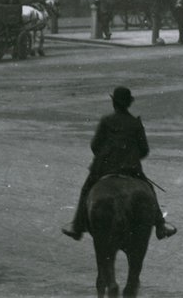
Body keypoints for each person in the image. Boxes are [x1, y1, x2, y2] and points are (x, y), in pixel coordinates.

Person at [62, 86, 174, 241]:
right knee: (149, 189)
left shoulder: (106, 121)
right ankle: (160, 225)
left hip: (104, 168)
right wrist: (131, 158)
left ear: (114, 104)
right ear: (129, 104)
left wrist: (106, 158)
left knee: (86, 189)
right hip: (131, 169)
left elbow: (95, 146)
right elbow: (144, 150)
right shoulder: (135, 123)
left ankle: (77, 227)